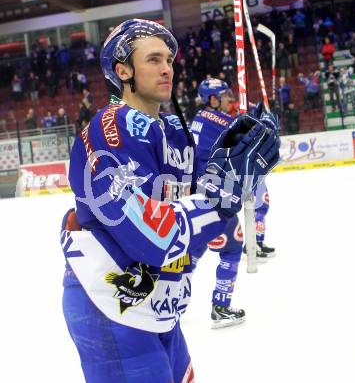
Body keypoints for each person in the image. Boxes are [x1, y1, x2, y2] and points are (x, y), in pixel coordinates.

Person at [60, 19, 280, 383]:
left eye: (169, 61)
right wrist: (220, 197)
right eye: (153, 59)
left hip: (157, 304)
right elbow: (153, 238)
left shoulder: (174, 132)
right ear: (123, 70)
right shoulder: (111, 128)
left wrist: (236, 170)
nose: (167, 69)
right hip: (111, 305)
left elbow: (199, 216)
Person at [191, 79, 278, 329]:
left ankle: (175, 301)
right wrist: (266, 125)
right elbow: (250, 138)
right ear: (212, 100)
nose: (230, 98)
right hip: (216, 193)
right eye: (225, 95)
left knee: (194, 249)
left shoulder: (201, 118)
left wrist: (254, 117)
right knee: (232, 247)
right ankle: (220, 308)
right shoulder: (213, 119)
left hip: (199, 190)